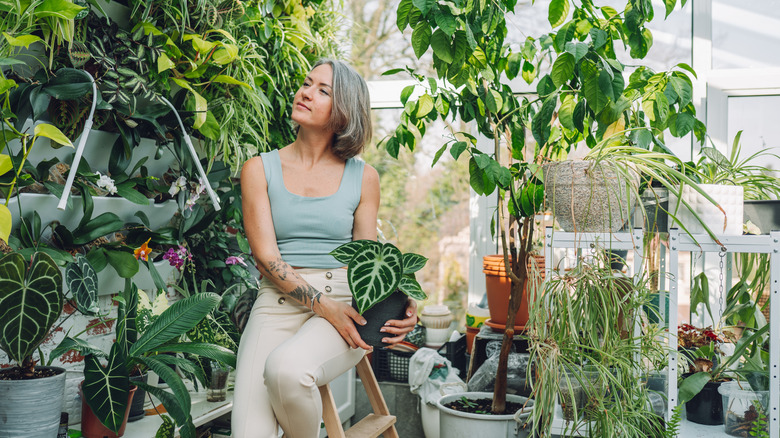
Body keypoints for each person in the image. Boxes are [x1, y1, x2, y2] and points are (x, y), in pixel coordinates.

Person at [232, 58, 418, 438]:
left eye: (323, 90)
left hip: (347, 305)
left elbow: (369, 259)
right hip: (276, 303)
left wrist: (407, 299)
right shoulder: (258, 169)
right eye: (306, 83)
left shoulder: (364, 177)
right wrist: (323, 306)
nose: (306, 92)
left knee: (287, 369)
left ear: (343, 111)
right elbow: (267, 259)